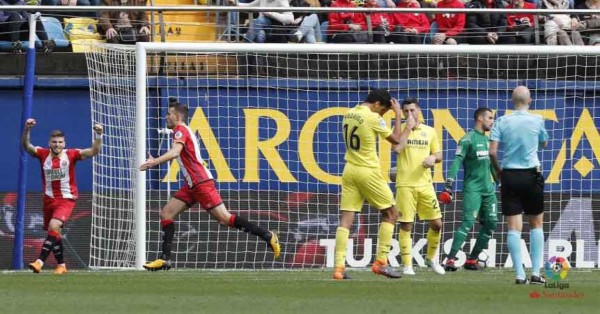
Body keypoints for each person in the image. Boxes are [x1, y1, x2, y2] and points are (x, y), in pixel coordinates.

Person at [141, 102, 280, 271]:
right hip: (191, 185)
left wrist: (154, 161)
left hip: (201, 183)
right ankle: (164, 259)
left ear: (177, 116)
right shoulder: (181, 131)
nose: (166, 117)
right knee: (166, 213)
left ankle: (267, 236)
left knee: (224, 219)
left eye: (168, 114)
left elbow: (176, 152)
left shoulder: (180, 130)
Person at [333, 89, 415, 280]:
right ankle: (381, 263)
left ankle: (338, 268)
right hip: (367, 171)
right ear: (377, 104)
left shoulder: (349, 113)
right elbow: (396, 141)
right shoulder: (372, 117)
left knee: (346, 220)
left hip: (349, 169)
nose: (382, 115)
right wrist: (400, 118)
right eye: (383, 111)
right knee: (392, 213)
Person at [23, 118, 103, 274]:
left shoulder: (71, 155)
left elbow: (93, 151)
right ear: (49, 143)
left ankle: (39, 262)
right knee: (55, 233)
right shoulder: (42, 154)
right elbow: (27, 146)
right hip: (48, 199)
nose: (57, 145)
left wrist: (99, 135)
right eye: (54, 142)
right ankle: (62, 265)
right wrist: (27, 129)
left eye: (60, 142)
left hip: (66, 199)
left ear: (64, 144)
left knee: (54, 226)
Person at [489, 86, 549, 285]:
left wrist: (498, 171)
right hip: (531, 175)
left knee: (513, 228)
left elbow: (492, 152)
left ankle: (519, 274)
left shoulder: (501, 121)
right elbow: (544, 143)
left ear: (512, 101)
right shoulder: (538, 119)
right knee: (536, 224)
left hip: (510, 176)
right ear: (529, 100)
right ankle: (536, 272)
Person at [392, 98, 445, 276]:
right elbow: (397, 149)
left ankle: (431, 258)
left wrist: (433, 158)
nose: (409, 114)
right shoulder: (399, 130)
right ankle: (407, 264)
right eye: (405, 111)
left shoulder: (429, 131)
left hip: (425, 184)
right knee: (406, 224)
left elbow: (438, 154)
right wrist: (407, 127)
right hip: (405, 185)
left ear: (418, 110)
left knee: (437, 224)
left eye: (412, 110)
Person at [441, 108, 498, 271]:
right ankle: (450, 259)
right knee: (467, 223)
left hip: (489, 191)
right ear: (480, 118)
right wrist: (449, 184)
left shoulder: (489, 141)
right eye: (490, 117)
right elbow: (457, 161)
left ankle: (472, 260)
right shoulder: (467, 139)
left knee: (492, 223)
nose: (492, 121)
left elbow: (492, 167)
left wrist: (501, 182)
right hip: (473, 190)